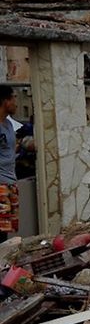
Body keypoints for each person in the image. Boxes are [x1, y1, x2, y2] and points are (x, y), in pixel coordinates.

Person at [0, 86, 18, 240]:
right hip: (0, 184)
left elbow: (10, 148)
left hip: (10, 182)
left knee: (5, 230)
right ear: (5, 101)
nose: (16, 102)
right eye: (13, 98)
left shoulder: (9, 124)